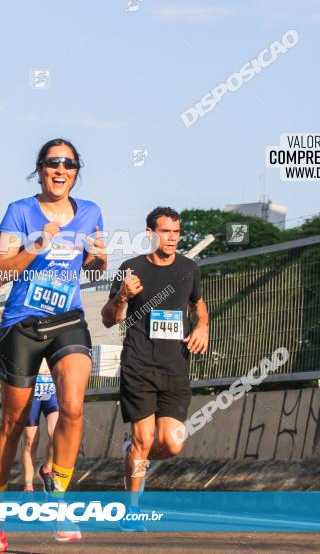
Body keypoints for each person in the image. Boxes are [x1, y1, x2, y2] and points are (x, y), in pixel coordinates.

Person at [0, 138, 106, 551]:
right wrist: (37, 245)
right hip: (22, 324)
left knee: (72, 406)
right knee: (13, 423)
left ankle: (60, 497)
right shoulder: (20, 210)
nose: (61, 169)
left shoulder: (90, 212)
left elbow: (91, 264)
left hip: (68, 320)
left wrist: (100, 258)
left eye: (69, 163)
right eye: (53, 162)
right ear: (39, 169)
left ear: (76, 171)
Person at [101, 206, 208, 531]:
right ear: (150, 233)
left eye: (176, 232)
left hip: (175, 366)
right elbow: (109, 318)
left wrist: (203, 325)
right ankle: (132, 513)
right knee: (144, 439)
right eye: (166, 232)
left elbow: (198, 305)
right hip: (139, 364)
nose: (172, 238)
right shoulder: (131, 269)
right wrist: (122, 296)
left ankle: (133, 452)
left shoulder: (189, 269)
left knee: (172, 444)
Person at [21, 359, 59, 492]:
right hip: (32, 388)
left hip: (51, 388)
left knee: (57, 435)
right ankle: (28, 487)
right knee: (30, 442)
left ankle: (46, 469)